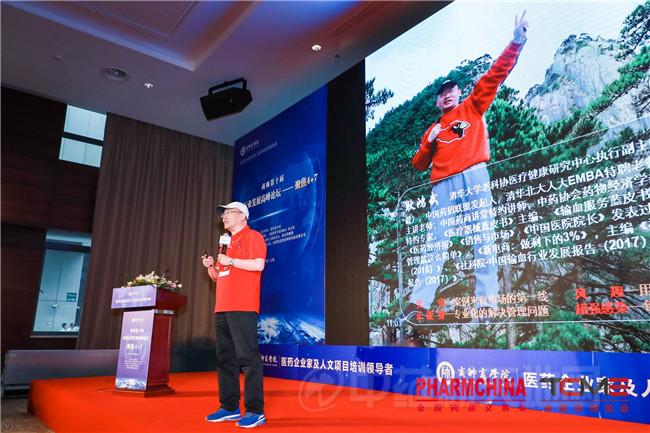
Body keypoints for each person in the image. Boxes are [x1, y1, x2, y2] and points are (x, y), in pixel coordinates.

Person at [408, 12, 529, 319]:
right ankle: (419, 301)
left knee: (483, 233)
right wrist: (428, 142)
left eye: (451, 90)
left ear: (458, 93)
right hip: (442, 185)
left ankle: (486, 302)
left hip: (474, 174)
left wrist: (516, 43)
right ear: (437, 102)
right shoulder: (433, 128)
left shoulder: (472, 106)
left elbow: (494, 76)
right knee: (436, 240)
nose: (446, 95)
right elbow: (419, 164)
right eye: (441, 93)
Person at [202, 201, 267, 429]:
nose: (224, 217)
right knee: (225, 359)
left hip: (243, 306)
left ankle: (255, 411)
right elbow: (218, 277)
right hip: (222, 307)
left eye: (230, 212)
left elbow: (258, 265)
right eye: (224, 214)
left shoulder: (253, 236)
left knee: (248, 358)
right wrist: (211, 267)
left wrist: (232, 261)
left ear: (243, 216)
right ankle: (229, 407)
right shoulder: (225, 243)